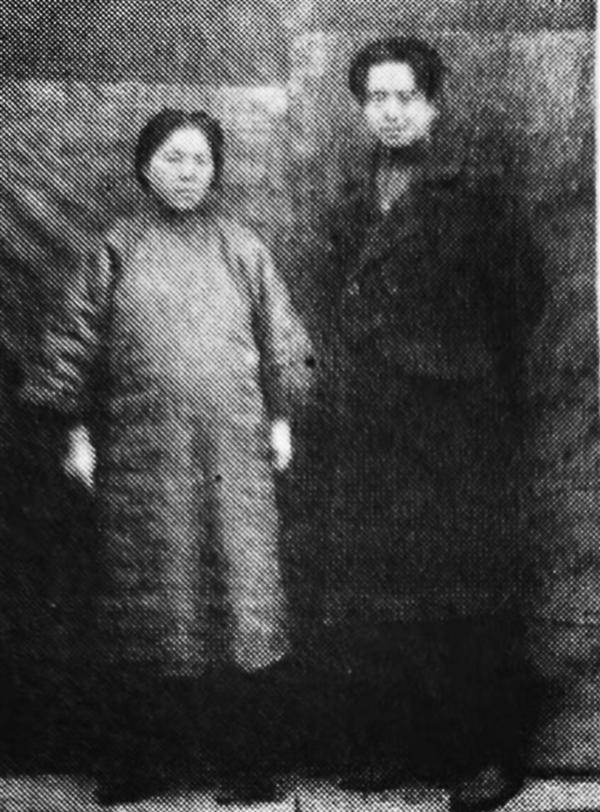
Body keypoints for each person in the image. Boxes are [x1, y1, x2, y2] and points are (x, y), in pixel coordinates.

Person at [20, 108, 313, 806]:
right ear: (146, 166)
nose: (187, 173)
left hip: (235, 454)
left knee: (241, 597)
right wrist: (75, 431)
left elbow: (282, 338)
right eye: (173, 158)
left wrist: (282, 417)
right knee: (152, 600)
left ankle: (244, 763)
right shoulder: (115, 249)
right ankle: (143, 761)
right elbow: (71, 345)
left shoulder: (242, 248)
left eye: (200, 160)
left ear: (216, 170)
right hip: (143, 458)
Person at [316, 37, 547, 810]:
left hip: (457, 423)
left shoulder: (475, 194)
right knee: (388, 592)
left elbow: (523, 298)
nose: (390, 112)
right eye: (375, 98)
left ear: (434, 105)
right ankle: (410, 748)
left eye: (405, 97)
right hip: (375, 423)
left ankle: (491, 756)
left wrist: (459, 368)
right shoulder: (349, 198)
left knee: (469, 593)